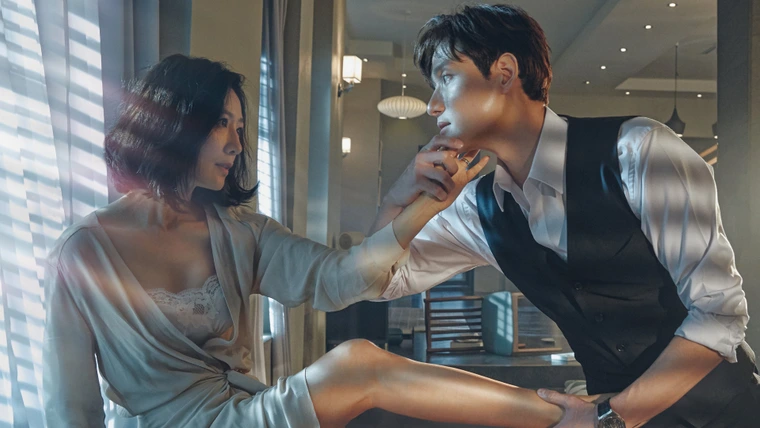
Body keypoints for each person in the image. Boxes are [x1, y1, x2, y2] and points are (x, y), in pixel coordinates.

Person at [42, 53, 583, 428]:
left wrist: (421, 203)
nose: (236, 144)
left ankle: (567, 415)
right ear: (173, 123)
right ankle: (570, 415)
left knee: (358, 361)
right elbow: (72, 409)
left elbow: (341, 279)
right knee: (356, 365)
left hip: (239, 415)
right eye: (221, 123)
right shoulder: (82, 251)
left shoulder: (240, 232)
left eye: (240, 127)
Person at [372, 4, 760, 427]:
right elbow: (381, 280)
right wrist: (396, 198)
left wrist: (612, 416)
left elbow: (718, 314)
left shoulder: (640, 150)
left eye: (446, 78)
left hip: (725, 413)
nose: (432, 105)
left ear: (504, 73)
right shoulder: (476, 207)